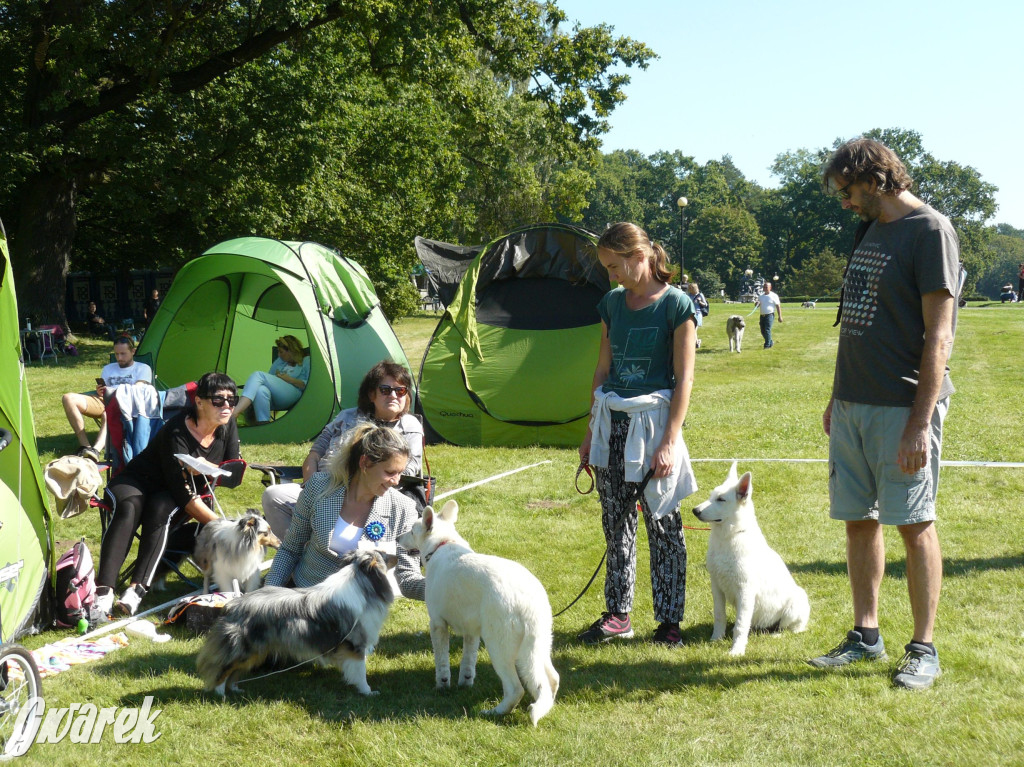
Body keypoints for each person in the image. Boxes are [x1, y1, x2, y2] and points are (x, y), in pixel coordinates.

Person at [809, 138, 960, 691]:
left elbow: (939, 335)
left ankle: (923, 648)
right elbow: (857, 322)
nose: (845, 203)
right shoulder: (869, 228)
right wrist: (836, 394)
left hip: (902, 407)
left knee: (914, 525)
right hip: (853, 403)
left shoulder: (930, 231)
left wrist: (920, 422)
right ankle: (865, 635)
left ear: (873, 179)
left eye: (847, 191)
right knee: (858, 519)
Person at [576, 222, 698, 648]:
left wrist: (669, 440)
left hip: (655, 424)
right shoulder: (611, 303)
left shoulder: (676, 305)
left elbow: (684, 380)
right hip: (613, 420)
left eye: (615, 265)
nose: (611, 275)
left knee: (664, 524)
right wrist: (591, 429)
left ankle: (669, 620)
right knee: (615, 522)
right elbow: (601, 369)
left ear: (639, 256)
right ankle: (618, 614)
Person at [96, 372, 241, 617]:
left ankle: (135, 591)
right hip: (137, 480)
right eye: (218, 400)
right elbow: (183, 494)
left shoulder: (227, 427)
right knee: (130, 506)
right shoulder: (177, 432)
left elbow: (233, 475)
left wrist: (212, 471)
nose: (226, 405)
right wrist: (222, 526)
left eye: (231, 399)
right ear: (200, 402)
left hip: (170, 492)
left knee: (161, 509)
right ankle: (103, 593)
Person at [261, 360, 424, 539]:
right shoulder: (346, 417)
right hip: (324, 487)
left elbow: (410, 468)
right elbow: (314, 455)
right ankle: (299, 551)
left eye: (400, 390)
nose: (393, 395)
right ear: (371, 394)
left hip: (371, 495)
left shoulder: (409, 426)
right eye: (385, 390)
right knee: (273, 495)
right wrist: (311, 489)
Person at [264, 423, 424, 601]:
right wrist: (266, 595)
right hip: (307, 597)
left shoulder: (404, 509)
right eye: (390, 472)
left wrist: (444, 587)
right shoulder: (318, 487)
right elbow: (290, 549)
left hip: (363, 607)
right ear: (364, 463)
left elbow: (407, 577)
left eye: (400, 473)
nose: (396, 481)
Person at [61, 336, 152, 462]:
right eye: (116, 354)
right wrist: (100, 391)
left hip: (127, 403)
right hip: (105, 400)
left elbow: (136, 390)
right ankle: (85, 446)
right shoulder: (108, 368)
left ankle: (96, 450)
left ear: (133, 351)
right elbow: (103, 390)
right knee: (68, 398)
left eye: (123, 354)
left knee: (107, 413)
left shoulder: (143, 368)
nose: (119, 358)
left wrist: (112, 392)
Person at [232, 335, 310, 424]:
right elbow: (269, 378)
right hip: (276, 397)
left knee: (258, 375)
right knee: (261, 390)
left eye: (281, 352)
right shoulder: (280, 361)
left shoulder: (306, 360)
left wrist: (290, 380)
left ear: (291, 351)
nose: (279, 355)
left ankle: (235, 412)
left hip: (294, 394)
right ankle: (263, 423)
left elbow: (309, 384)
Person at [755, 281, 782, 348]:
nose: (765, 288)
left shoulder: (774, 296)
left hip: (769, 315)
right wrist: (756, 304)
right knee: (762, 331)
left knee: (767, 330)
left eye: (766, 287)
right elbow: (757, 305)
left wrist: (780, 316)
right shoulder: (761, 296)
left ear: (770, 287)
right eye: (764, 287)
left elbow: (778, 306)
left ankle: (767, 345)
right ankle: (770, 341)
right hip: (762, 316)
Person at [686, 282, 709, 349]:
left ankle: (696, 343)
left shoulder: (700, 295)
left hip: (698, 313)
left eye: (691, 288)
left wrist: (700, 301)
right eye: (689, 288)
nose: (690, 289)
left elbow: (705, 304)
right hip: (690, 314)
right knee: (692, 329)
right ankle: (697, 341)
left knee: (694, 329)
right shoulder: (688, 295)